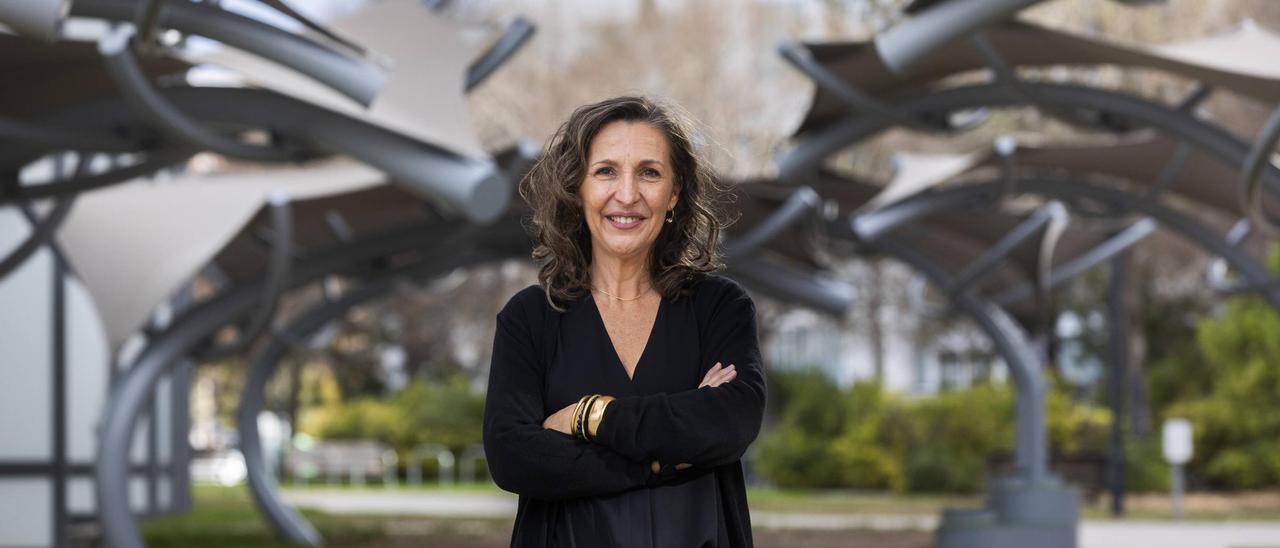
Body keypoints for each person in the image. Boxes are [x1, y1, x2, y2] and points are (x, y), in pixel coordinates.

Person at [482, 96, 766, 547]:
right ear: (578, 189)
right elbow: (513, 456)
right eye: (606, 171)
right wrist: (665, 457)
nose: (628, 194)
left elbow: (730, 423)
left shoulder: (719, 307)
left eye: (649, 172)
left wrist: (588, 416)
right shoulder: (530, 319)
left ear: (674, 193)